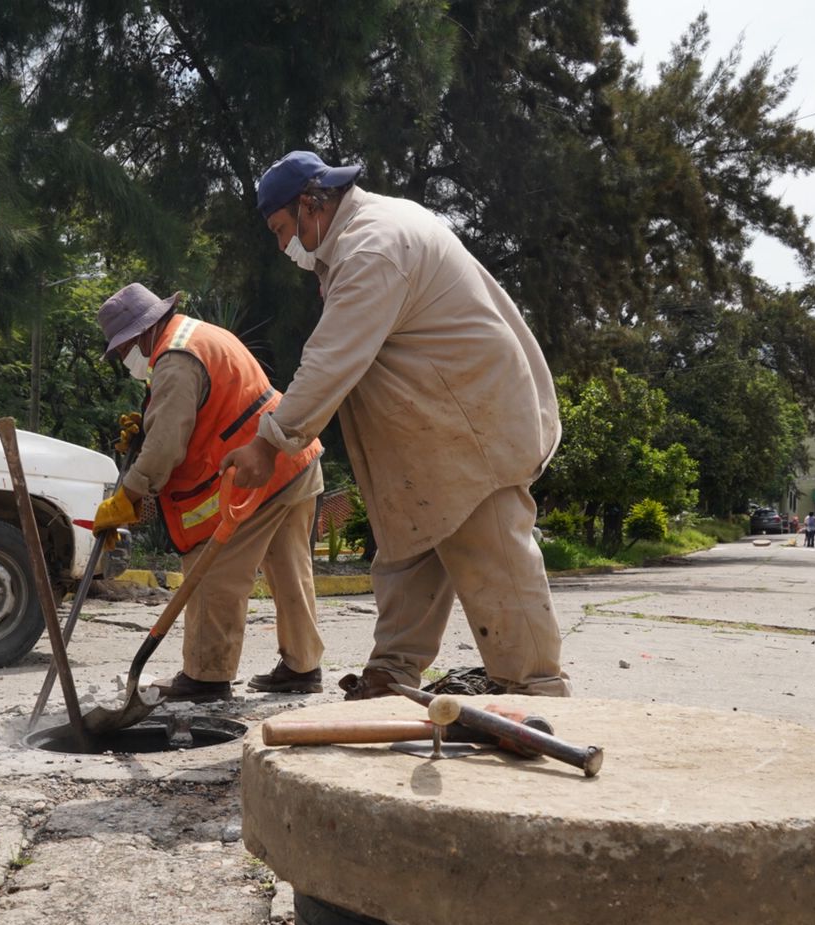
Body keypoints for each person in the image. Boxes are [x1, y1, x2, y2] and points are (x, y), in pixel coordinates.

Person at [222, 150, 570, 699]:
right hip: (436, 431)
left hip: (469, 426)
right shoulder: (366, 234)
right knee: (408, 552)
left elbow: (331, 359)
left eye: (281, 228)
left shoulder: (372, 246)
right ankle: (392, 673)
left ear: (311, 204)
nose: (283, 243)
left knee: (492, 558)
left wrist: (270, 443)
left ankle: (537, 689)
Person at [92, 283, 326, 701]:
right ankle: (302, 666)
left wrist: (129, 494)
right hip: (292, 461)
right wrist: (147, 425)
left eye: (123, 348)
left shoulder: (174, 358)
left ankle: (206, 676)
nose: (126, 358)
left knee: (212, 573)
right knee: (291, 570)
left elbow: (166, 446)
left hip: (254, 475)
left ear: (140, 334)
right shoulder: (198, 334)